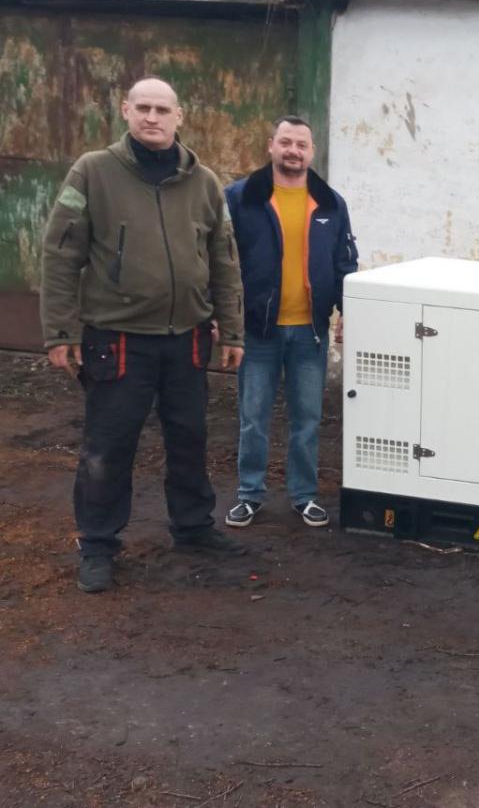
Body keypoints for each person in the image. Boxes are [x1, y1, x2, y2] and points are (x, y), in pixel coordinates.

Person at [40, 76, 247, 594]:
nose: (152, 117)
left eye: (162, 109)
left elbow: (224, 259)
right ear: (125, 111)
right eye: (143, 108)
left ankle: (193, 526)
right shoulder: (93, 172)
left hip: (187, 338)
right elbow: (61, 253)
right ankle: (98, 544)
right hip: (117, 339)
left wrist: (233, 331)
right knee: (108, 446)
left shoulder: (204, 182)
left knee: (190, 437)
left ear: (180, 116)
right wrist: (59, 331)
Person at [223, 116, 358, 530]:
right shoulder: (241, 197)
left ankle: (304, 495)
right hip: (258, 331)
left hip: (309, 332)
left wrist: (346, 311)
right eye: (286, 142)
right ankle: (250, 494)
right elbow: (221, 262)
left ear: (312, 152)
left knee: (307, 420)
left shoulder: (331, 203)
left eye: (301, 144)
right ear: (271, 145)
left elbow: (344, 263)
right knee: (253, 417)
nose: (293, 151)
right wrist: (223, 317)